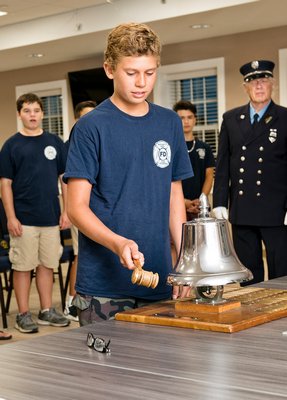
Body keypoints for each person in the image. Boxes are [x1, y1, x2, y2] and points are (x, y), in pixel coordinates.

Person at [64, 22, 193, 326]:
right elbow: (76, 208)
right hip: (104, 286)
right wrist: (118, 243)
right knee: (106, 374)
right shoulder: (90, 127)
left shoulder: (169, 123)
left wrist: (185, 263)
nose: (141, 83)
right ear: (109, 69)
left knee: (160, 371)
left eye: (149, 73)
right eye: (131, 72)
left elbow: (175, 198)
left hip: (160, 278)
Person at [0, 93, 70, 333]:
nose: (32, 115)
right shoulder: (12, 145)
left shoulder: (54, 142)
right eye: (27, 110)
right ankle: (22, 314)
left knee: (47, 266)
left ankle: (46, 311)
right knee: (22, 267)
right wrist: (10, 217)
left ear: (42, 113)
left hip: (50, 217)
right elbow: (5, 184)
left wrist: (66, 211)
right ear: (19, 114)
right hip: (23, 219)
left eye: (36, 110)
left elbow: (65, 179)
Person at [213, 60, 287, 285]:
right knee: (248, 272)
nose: (259, 86)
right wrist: (219, 202)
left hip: (277, 210)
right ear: (245, 87)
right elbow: (223, 164)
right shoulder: (231, 118)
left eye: (264, 80)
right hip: (243, 208)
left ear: (272, 84)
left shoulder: (285, 117)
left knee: (281, 270)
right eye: (253, 81)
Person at [64, 100, 97, 321]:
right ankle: (72, 302)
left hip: (100, 211)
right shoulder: (72, 144)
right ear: (77, 119)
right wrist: (69, 211)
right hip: (80, 209)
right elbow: (67, 182)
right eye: (86, 116)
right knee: (79, 254)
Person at [173, 100, 215, 219]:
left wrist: (201, 199)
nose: (186, 121)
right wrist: (184, 202)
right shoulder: (170, 147)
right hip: (176, 206)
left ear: (195, 119)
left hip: (200, 207)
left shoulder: (205, 147)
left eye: (189, 117)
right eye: (181, 118)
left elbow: (209, 176)